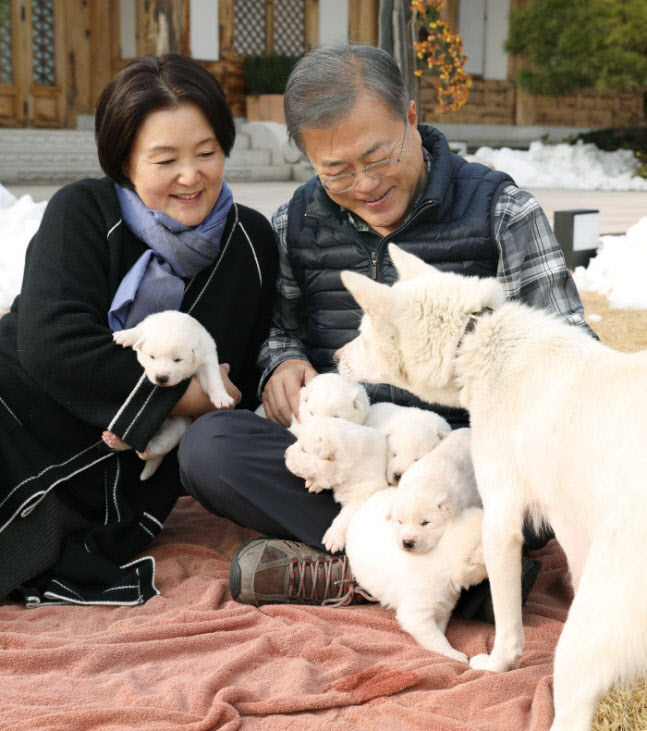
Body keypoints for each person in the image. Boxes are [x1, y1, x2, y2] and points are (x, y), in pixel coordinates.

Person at [178, 43, 593, 611]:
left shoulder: (500, 211)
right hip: (351, 448)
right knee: (209, 448)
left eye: (377, 158)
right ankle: (456, 578)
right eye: (337, 172)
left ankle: (359, 572)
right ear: (308, 162)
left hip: (466, 457)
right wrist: (283, 363)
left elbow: (573, 355)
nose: (365, 184)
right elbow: (280, 329)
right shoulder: (294, 222)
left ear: (412, 119)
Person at [0, 54, 277, 606]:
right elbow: (51, 343)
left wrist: (208, 399)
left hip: (122, 478)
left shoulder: (252, 241)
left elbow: (239, 370)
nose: (191, 175)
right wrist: (184, 394)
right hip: (18, 405)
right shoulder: (82, 209)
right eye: (165, 159)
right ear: (124, 158)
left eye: (207, 152)